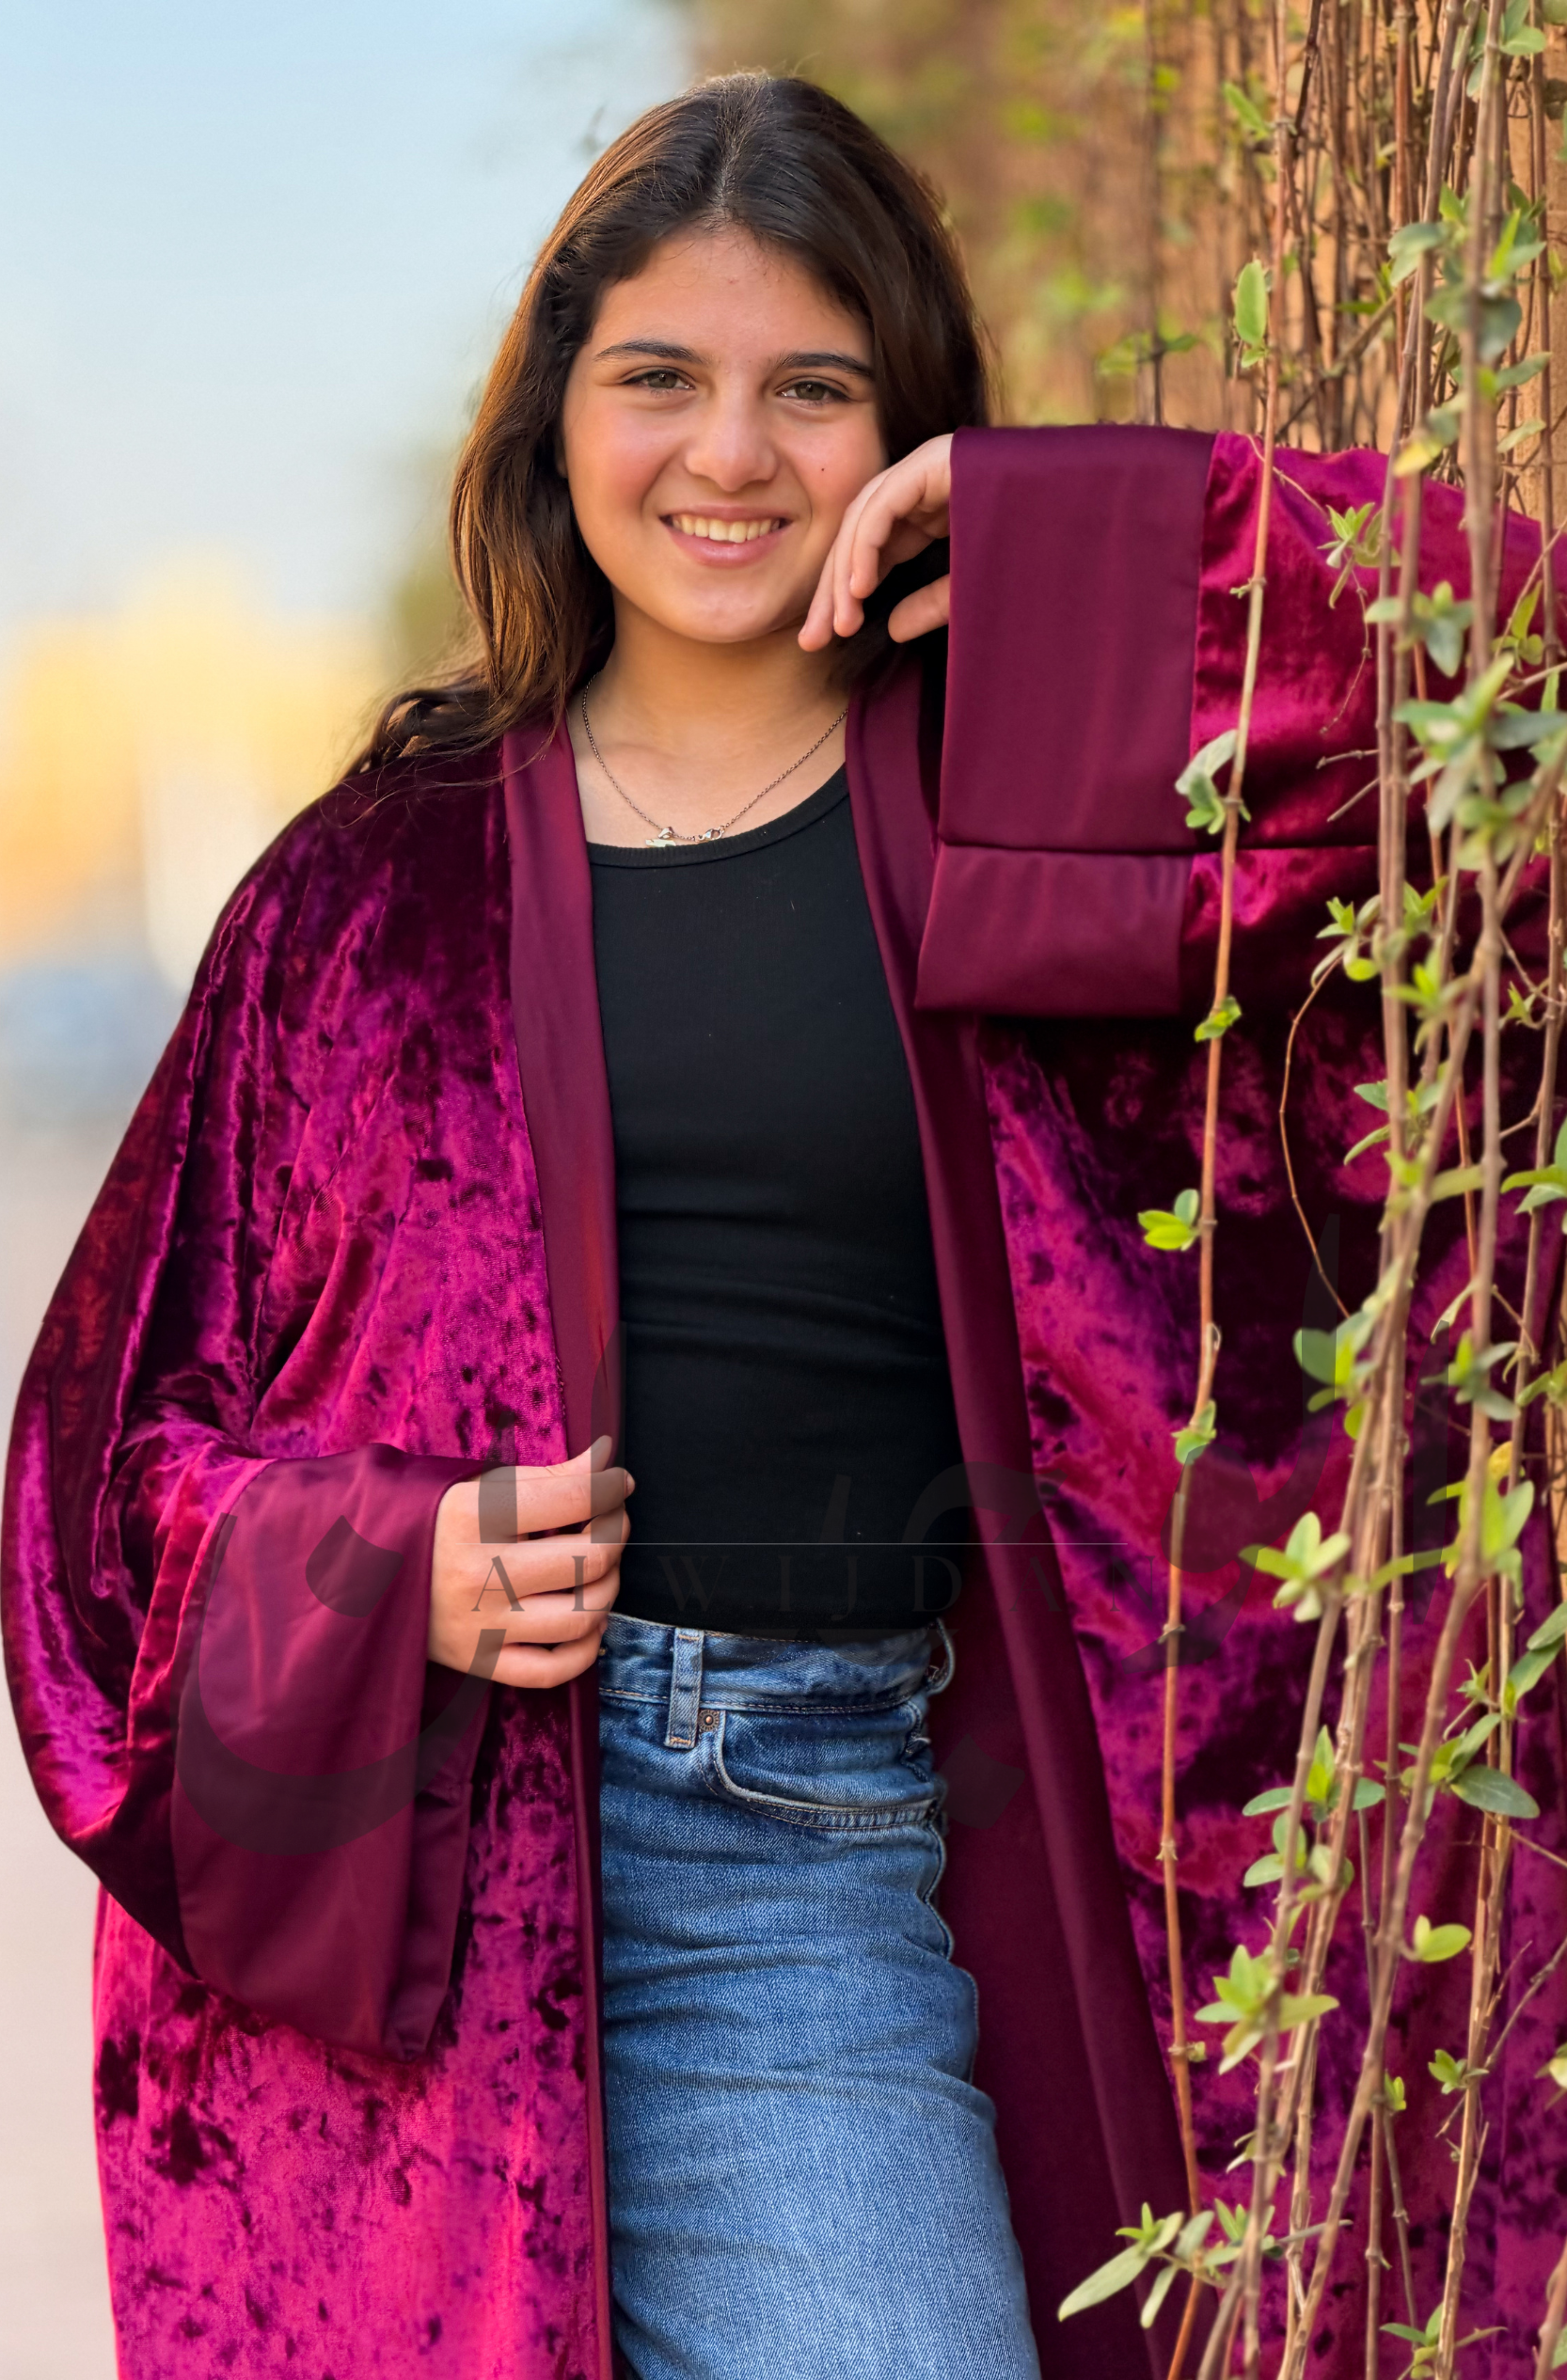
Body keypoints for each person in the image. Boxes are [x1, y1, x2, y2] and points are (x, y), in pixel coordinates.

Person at [5, 69, 1565, 2380]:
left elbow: (1503, 694)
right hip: (422, 1927)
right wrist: (384, 1566)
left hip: (800, 1850)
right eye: (657, 375)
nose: (725, 453)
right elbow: (99, 1487)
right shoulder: (369, 888)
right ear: (554, 416)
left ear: (904, 427)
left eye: (809, 390)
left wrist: (1082, 538)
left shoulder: (1048, 797)